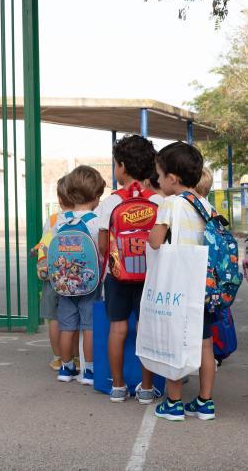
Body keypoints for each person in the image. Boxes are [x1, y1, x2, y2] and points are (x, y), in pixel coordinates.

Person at [149, 141, 217, 421]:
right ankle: (205, 402)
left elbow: (155, 241)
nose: (158, 180)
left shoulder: (171, 203)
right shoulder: (204, 203)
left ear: (172, 179)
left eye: (160, 175)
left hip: (178, 283)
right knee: (204, 344)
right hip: (204, 284)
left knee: (174, 339)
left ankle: (174, 402)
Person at [97, 134, 162, 403]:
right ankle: (146, 388)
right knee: (146, 329)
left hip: (118, 276)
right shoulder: (159, 202)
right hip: (150, 276)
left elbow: (103, 243)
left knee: (118, 329)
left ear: (121, 166)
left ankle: (118, 386)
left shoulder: (111, 202)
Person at [53, 165, 106, 385]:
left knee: (67, 327)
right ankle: (90, 371)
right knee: (89, 327)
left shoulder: (61, 221)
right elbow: (101, 250)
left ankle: (66, 368)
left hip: (65, 284)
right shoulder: (95, 220)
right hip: (90, 283)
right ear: (95, 196)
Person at [32, 177, 80, 371]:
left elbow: (44, 243)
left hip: (53, 274)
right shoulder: (81, 218)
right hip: (75, 275)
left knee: (54, 318)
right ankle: (75, 357)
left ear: (60, 199)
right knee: (74, 318)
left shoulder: (53, 219)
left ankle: (58, 357)